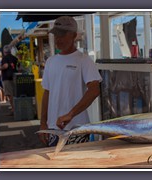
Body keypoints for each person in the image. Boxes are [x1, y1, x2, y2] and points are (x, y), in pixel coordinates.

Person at [39, 16, 102, 147]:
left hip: (76, 128)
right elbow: (47, 93)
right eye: (56, 34)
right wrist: (43, 123)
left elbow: (94, 90)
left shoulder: (84, 60)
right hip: (52, 128)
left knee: (76, 165)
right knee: (56, 166)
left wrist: (70, 114)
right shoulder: (50, 61)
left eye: (62, 34)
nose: (58, 38)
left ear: (74, 35)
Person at [0, 45, 18, 115]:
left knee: (10, 94)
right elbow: (18, 66)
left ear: (4, 52)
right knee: (14, 93)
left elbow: (6, 66)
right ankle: (15, 108)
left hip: (7, 78)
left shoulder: (5, 58)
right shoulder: (14, 58)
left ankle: (14, 109)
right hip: (14, 77)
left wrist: (0, 68)